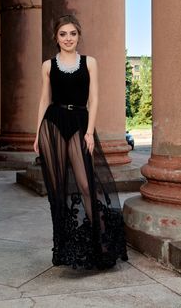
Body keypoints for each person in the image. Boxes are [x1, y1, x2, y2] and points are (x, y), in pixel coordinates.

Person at [33, 14, 128, 270]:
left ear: (79, 36)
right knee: (57, 189)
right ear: (56, 38)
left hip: (78, 123)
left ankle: (102, 243)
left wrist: (89, 132)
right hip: (52, 123)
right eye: (63, 34)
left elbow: (94, 99)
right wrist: (36, 134)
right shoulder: (47, 66)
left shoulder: (89, 63)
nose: (68, 38)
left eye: (72, 33)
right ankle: (63, 248)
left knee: (86, 184)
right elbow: (44, 99)